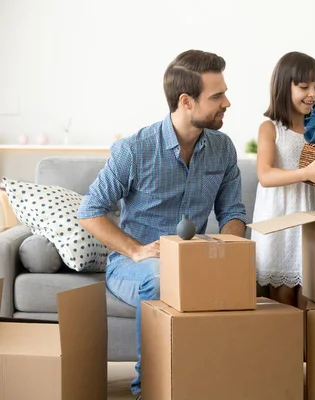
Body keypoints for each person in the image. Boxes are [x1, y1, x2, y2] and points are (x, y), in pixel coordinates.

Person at [77, 50, 246, 399]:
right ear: (186, 101)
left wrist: (227, 252)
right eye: (217, 96)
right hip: (133, 265)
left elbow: (233, 213)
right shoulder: (135, 150)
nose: (227, 102)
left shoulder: (223, 149)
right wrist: (137, 251)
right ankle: (149, 390)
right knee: (158, 277)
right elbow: (90, 211)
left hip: (192, 259)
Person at [251, 51, 315, 308]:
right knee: (281, 306)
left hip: (308, 224)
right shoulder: (270, 129)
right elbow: (265, 175)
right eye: (304, 87)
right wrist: (306, 174)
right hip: (279, 225)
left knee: (309, 301)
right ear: (284, 87)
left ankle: (308, 349)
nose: (313, 93)